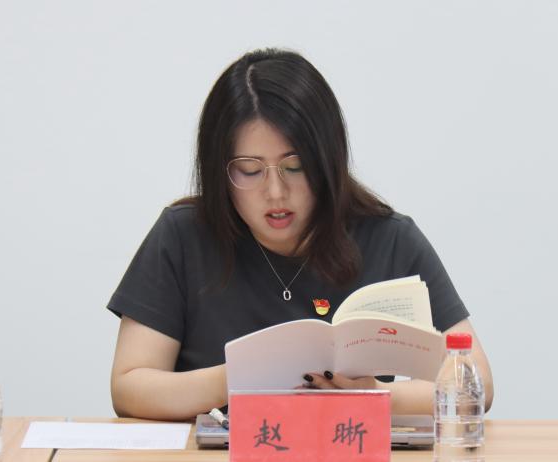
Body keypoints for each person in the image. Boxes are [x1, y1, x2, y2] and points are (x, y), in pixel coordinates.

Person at [108, 48, 494, 421]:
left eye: (295, 167)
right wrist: (242, 375)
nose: (276, 192)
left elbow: (475, 385)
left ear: (327, 160)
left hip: (348, 447)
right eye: (250, 170)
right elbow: (129, 387)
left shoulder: (390, 240)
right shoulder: (183, 236)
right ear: (218, 170)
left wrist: (376, 395)